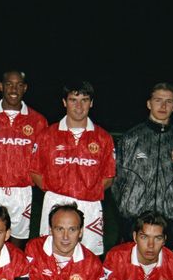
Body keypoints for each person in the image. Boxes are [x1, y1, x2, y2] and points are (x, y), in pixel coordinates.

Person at [32, 81, 115, 255]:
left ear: (91, 103)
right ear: (64, 102)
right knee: (51, 254)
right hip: (55, 202)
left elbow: (109, 176)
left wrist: (88, 192)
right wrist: (56, 191)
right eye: (73, 100)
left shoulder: (103, 137)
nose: (79, 106)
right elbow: (35, 171)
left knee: (89, 257)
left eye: (84, 100)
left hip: (89, 205)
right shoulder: (48, 134)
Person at [112, 83, 173, 253]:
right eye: (158, 100)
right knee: (128, 269)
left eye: (168, 101)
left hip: (169, 217)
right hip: (134, 216)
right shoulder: (131, 138)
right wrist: (127, 207)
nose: (163, 106)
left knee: (166, 273)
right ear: (149, 104)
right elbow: (116, 178)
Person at [0, 70, 48, 249]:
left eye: (19, 85)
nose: (14, 89)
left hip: (21, 191)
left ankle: (12, 275)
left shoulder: (38, 121)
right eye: (9, 84)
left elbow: (40, 161)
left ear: (25, 88)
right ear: (1, 86)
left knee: (17, 240)